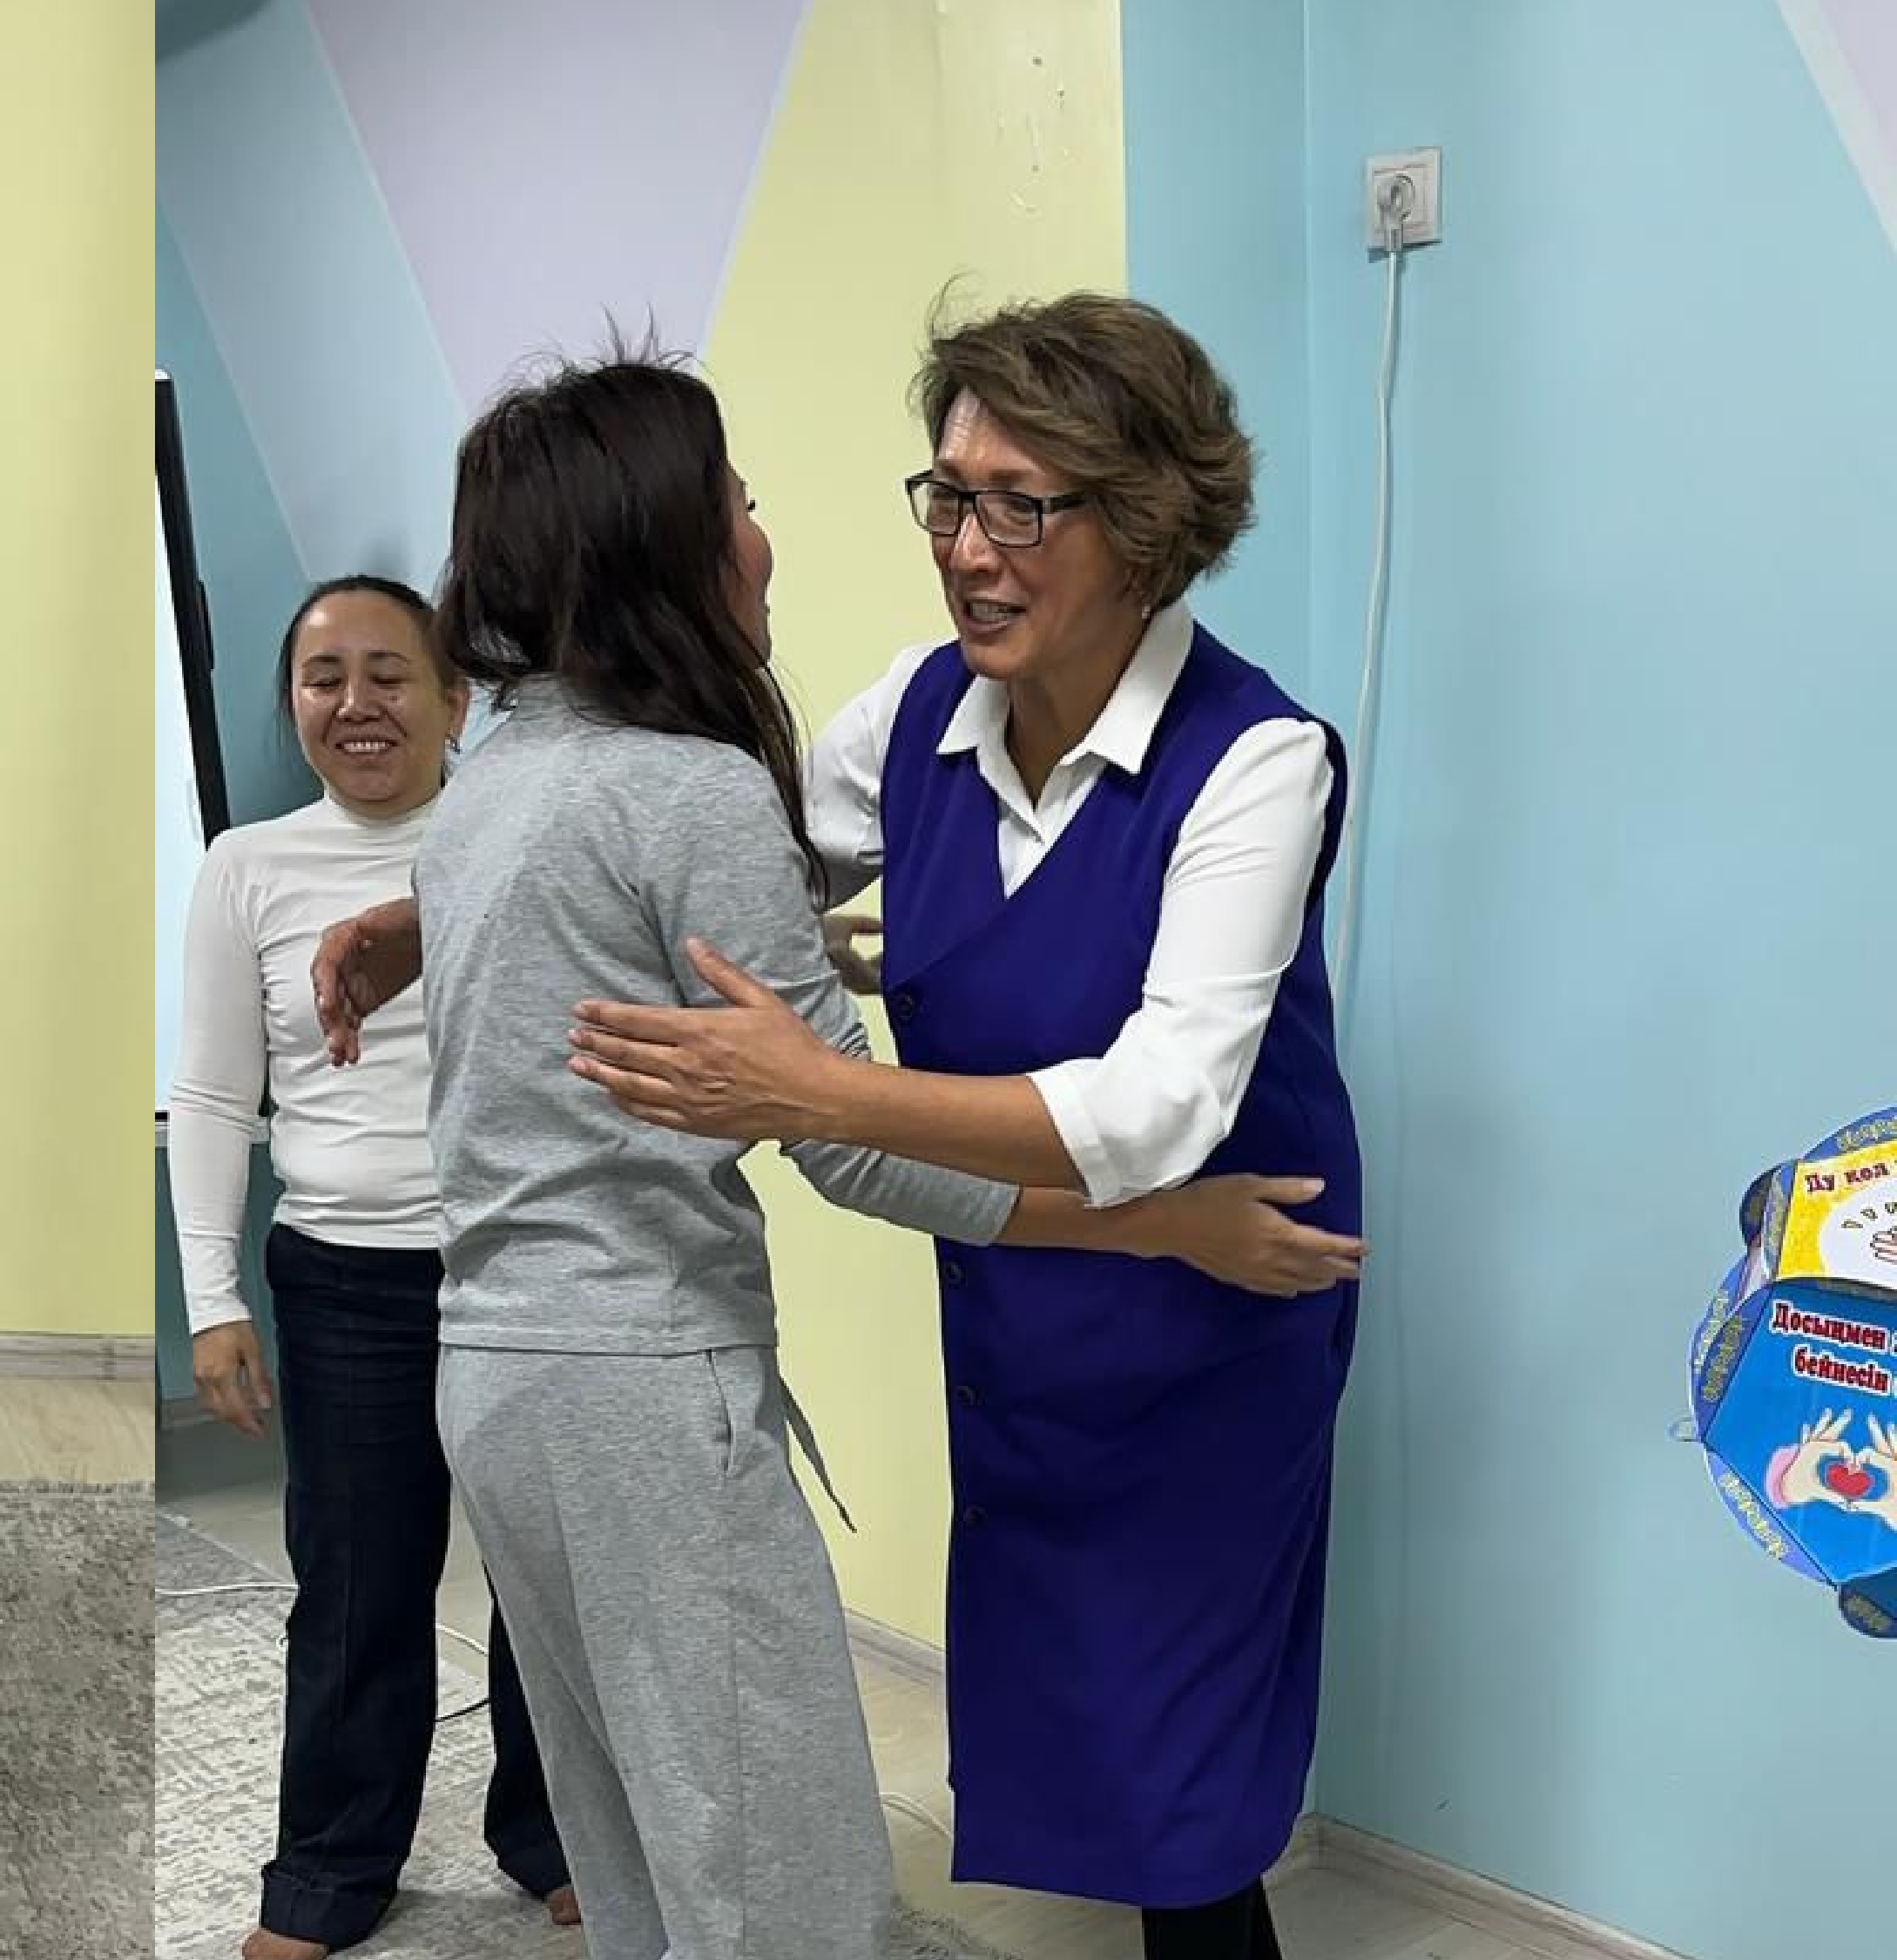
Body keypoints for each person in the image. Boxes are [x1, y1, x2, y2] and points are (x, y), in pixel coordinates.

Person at [319, 354, 1361, 1960]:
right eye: (950, 497)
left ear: (1147, 524)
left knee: (1179, 1756)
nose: (965, 545)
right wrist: (440, 915)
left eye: (1020, 505)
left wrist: (818, 1088)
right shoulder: (910, 712)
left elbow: (1160, 1107)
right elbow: (715, 870)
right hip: (999, 1286)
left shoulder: (1257, 757)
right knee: (787, 1819)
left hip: (1217, 1275)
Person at [170, 577, 573, 1957]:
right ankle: (331, 1872)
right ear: (292, 703)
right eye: (324, 676)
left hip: (524, 1264)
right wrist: (213, 1300)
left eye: (391, 673)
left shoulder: (521, 844)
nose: (357, 703)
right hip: (344, 1281)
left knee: (549, 1577)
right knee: (354, 1589)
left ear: (457, 699)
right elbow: (213, 1095)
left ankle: (556, 1831)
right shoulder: (249, 867)